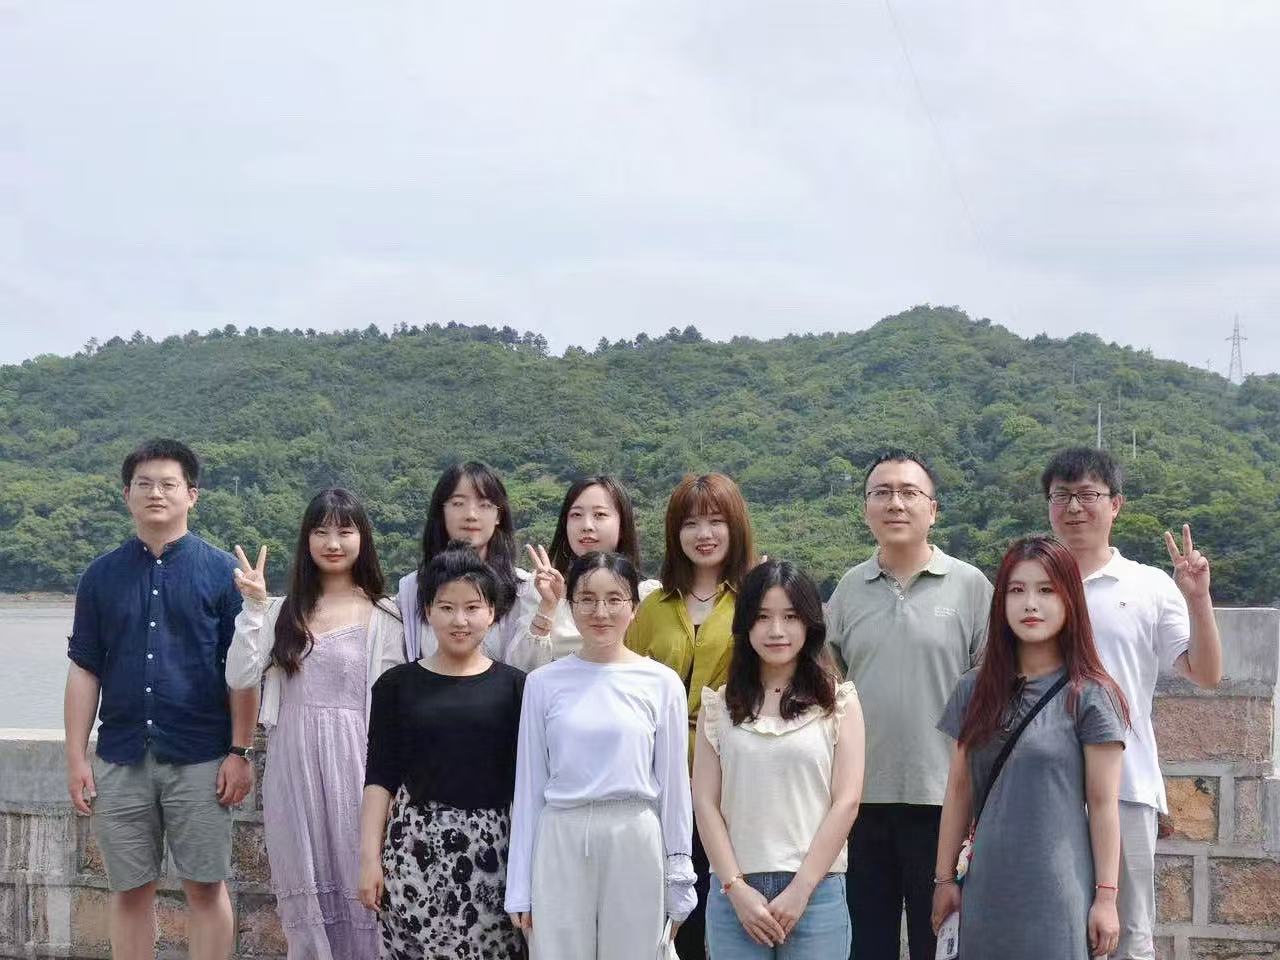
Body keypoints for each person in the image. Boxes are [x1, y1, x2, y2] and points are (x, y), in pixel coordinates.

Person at [64, 439, 255, 960]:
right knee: (129, 891)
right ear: (126, 494)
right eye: (144, 484)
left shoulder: (223, 574)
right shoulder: (100, 576)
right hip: (121, 755)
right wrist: (76, 757)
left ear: (191, 494)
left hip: (201, 757)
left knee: (206, 887)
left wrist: (240, 752)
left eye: (169, 484)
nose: (156, 493)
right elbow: (84, 669)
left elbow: (243, 673)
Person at [1042, 447, 1222, 959]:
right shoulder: (1030, 585)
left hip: (1127, 785)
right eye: (1061, 496)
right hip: (1043, 783)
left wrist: (1198, 599)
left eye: (1088, 495)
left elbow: (1206, 673)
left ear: (1115, 504)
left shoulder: (1148, 585)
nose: (1073, 507)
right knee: (1047, 933)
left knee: (1125, 937)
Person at [824, 449, 992, 960]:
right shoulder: (849, 589)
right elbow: (829, 688)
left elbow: (993, 693)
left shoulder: (970, 586)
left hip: (945, 803)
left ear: (932, 509)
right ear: (866, 508)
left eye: (909, 493)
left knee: (938, 944)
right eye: (882, 493)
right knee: (865, 946)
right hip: (859, 805)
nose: (895, 503)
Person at [225, 488, 405, 959]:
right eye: (321, 531)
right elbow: (240, 676)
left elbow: (394, 707)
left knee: (363, 887)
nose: (333, 542)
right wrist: (254, 609)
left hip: (357, 762)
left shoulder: (385, 614)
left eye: (345, 531)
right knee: (302, 884)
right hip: (293, 763)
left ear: (362, 539)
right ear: (306, 540)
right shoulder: (281, 611)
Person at [931, 536, 1130, 959]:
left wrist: (1106, 897)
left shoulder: (1090, 695)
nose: (1030, 604)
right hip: (986, 886)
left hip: (1058, 891)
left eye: (1046, 590)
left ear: (1069, 599)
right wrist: (944, 879)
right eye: (1017, 591)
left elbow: (1103, 803)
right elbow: (959, 790)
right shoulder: (973, 689)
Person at [506, 551, 696, 960]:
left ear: (634, 607)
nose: (601, 612)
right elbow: (529, 788)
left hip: (635, 834)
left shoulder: (661, 683)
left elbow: (675, 788)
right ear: (570, 605)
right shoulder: (542, 683)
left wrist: (680, 874)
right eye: (587, 599)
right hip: (561, 834)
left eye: (615, 599)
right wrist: (519, 886)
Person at [358, 544, 525, 960]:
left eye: (473, 607)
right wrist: (368, 859)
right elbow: (379, 778)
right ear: (427, 611)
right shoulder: (396, 686)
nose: (460, 620)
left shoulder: (517, 688)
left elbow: (526, 786)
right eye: (447, 607)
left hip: (493, 855)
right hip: (413, 850)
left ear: (492, 612)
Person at [693, 559, 864, 959]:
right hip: (735, 896)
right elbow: (704, 801)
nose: (776, 630)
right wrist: (735, 888)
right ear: (745, 624)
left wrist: (801, 889)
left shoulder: (838, 702)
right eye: (762, 617)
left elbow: (847, 801)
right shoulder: (719, 706)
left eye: (790, 617)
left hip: (817, 893)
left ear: (809, 623)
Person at [626, 472, 759, 960]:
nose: (704, 534)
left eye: (716, 521)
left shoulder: (755, 600)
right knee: (665, 913)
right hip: (656, 776)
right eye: (690, 523)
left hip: (732, 776)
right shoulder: (651, 606)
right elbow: (625, 681)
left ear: (735, 526)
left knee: (727, 901)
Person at [395, 461, 538, 667]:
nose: (471, 515)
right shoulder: (411, 589)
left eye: (484, 505)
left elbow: (530, 673)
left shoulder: (524, 589)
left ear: (499, 515)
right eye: (458, 503)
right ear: (441, 511)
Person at [522, 475, 661, 667]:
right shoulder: (540, 588)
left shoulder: (648, 595)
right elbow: (522, 669)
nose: (586, 526)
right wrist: (548, 606)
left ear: (622, 524)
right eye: (576, 515)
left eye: (600, 515)